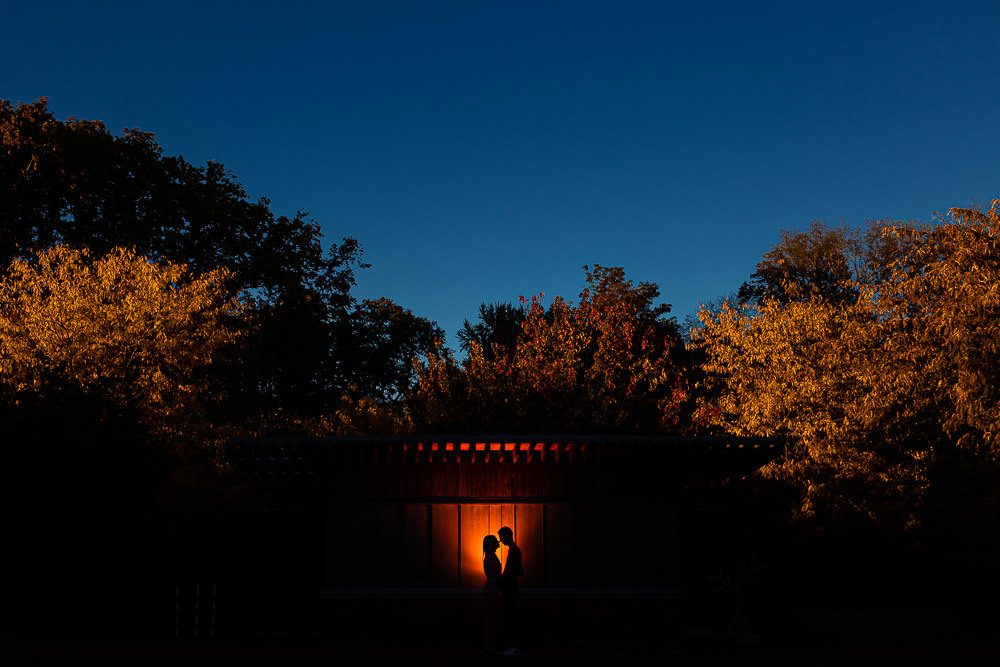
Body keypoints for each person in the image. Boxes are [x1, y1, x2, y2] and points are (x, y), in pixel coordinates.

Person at [497, 526, 523, 656]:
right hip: (511, 587)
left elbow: (513, 572)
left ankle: (514, 645)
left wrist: (500, 578)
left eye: (501, 537)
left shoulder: (514, 551)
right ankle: (514, 645)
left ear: (507, 535)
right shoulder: (514, 551)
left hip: (510, 588)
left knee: (511, 616)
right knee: (511, 615)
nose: (500, 541)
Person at [482, 534, 502, 653]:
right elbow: (496, 576)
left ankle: (490, 643)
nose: (498, 542)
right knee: (493, 616)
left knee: (491, 616)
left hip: (491, 590)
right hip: (492, 591)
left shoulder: (488, 557)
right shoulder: (491, 558)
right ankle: (491, 643)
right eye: (495, 541)